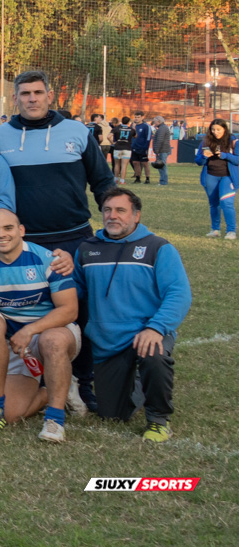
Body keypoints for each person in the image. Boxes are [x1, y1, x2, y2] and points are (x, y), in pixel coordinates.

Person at [0, 69, 114, 410]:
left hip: (74, 238)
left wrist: (114, 220)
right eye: (25, 93)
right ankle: (38, 377)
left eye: (38, 92)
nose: (32, 99)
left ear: (49, 95)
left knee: (79, 312)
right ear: (15, 98)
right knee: (25, 309)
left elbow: (103, 182)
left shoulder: (77, 132)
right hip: (22, 244)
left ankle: (82, 382)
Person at [75, 189, 192, 443]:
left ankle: (159, 420)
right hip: (107, 342)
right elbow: (75, 292)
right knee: (113, 415)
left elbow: (179, 293)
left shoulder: (158, 248)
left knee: (153, 354)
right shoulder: (86, 249)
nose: (112, 216)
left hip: (146, 333)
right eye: (107, 210)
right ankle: (139, 379)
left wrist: (156, 328)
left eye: (121, 210)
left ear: (136, 215)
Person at [0, 209, 80, 442]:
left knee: (52, 341)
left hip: (50, 332)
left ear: (21, 230)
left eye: (8, 228)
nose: (1, 234)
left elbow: (69, 310)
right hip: (13, 343)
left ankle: (54, 420)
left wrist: (29, 330)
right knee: (11, 413)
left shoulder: (49, 260)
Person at [195, 118, 237, 239]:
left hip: (228, 177)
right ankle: (215, 230)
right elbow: (198, 161)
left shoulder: (233, 141)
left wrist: (225, 155)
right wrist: (204, 157)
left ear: (224, 129)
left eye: (218, 129)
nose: (215, 132)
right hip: (210, 176)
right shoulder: (206, 142)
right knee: (214, 204)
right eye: (213, 130)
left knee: (226, 202)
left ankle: (231, 231)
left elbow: (238, 160)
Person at [111, 116, 134, 185]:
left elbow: (108, 136)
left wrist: (113, 142)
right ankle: (122, 180)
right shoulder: (131, 129)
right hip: (127, 148)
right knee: (124, 165)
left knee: (117, 164)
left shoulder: (116, 128)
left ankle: (115, 179)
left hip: (117, 148)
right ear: (129, 122)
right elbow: (136, 136)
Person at [130, 115, 153, 185]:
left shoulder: (146, 126)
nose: (136, 118)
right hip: (134, 147)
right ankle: (138, 178)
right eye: (135, 117)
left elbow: (148, 137)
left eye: (138, 117)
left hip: (142, 147)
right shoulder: (133, 126)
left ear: (142, 118)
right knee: (135, 163)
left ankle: (147, 178)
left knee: (145, 163)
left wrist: (146, 147)